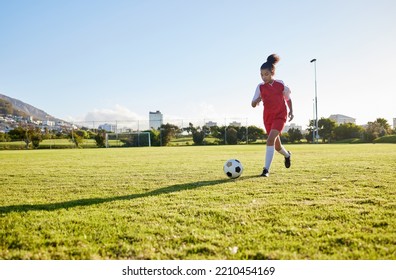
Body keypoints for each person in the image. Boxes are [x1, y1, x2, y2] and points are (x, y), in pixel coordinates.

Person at [251, 54, 294, 177]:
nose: (264, 77)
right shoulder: (260, 87)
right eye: (262, 75)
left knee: (269, 140)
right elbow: (252, 104)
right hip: (268, 118)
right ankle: (287, 155)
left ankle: (266, 170)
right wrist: (257, 100)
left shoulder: (280, 84)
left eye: (266, 74)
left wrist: (291, 111)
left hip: (280, 116)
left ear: (272, 73)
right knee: (276, 146)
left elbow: (288, 99)